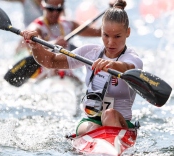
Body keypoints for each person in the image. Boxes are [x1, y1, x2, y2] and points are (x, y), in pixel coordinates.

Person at [21, 0, 143, 136]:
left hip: (121, 123)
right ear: (101, 32)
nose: (110, 42)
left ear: (128, 32)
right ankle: (101, 143)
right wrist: (35, 47)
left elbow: (127, 68)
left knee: (110, 115)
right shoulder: (90, 52)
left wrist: (111, 64)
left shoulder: (132, 58)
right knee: (90, 129)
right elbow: (51, 61)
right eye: (106, 35)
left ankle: (110, 147)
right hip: (91, 120)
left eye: (117, 36)